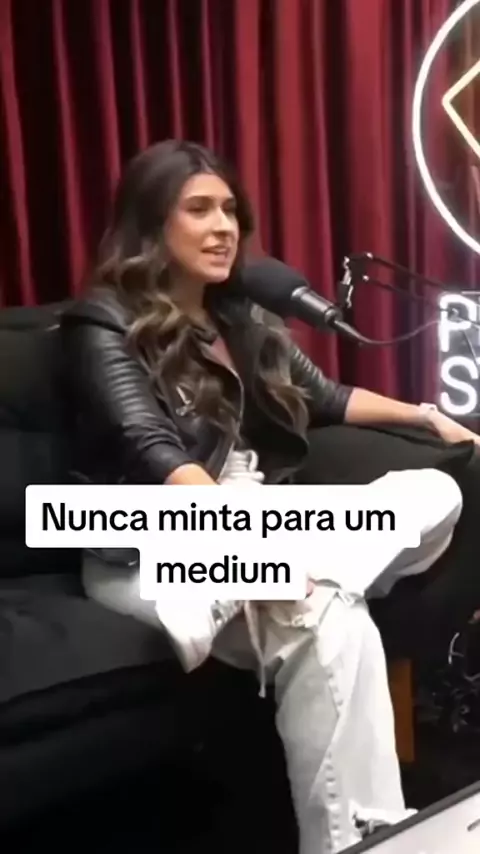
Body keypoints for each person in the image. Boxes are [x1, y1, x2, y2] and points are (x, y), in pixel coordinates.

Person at [60, 139, 478, 854]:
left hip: (262, 528)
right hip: (152, 540)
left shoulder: (242, 320)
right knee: (329, 615)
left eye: (230, 210)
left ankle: (226, 591)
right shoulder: (101, 323)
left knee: (434, 491)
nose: (223, 227)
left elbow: (328, 397)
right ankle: (368, 841)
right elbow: (151, 450)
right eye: (199, 209)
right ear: (151, 222)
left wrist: (426, 415)